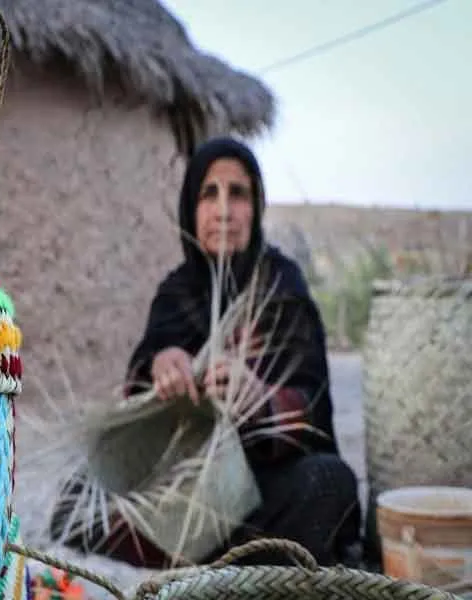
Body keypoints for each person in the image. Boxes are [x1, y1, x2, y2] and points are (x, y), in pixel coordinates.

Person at [49, 136, 362, 569]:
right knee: (77, 502)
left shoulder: (280, 285)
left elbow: (311, 410)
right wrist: (161, 369)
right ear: (190, 211)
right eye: (208, 194)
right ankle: (232, 556)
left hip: (262, 486)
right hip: (185, 486)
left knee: (329, 483)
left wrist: (259, 399)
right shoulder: (175, 293)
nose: (223, 210)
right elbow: (137, 405)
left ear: (256, 207)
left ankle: (206, 554)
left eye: (238, 194)